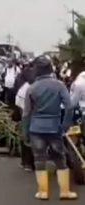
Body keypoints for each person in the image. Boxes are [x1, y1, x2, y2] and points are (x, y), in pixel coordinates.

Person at [23, 56, 77, 200]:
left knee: (39, 159)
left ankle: (43, 192)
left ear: (37, 70)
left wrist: (25, 132)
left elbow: (26, 113)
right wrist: (64, 125)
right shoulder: (59, 85)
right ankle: (65, 192)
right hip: (54, 127)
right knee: (60, 158)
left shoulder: (32, 88)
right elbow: (69, 107)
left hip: (36, 128)